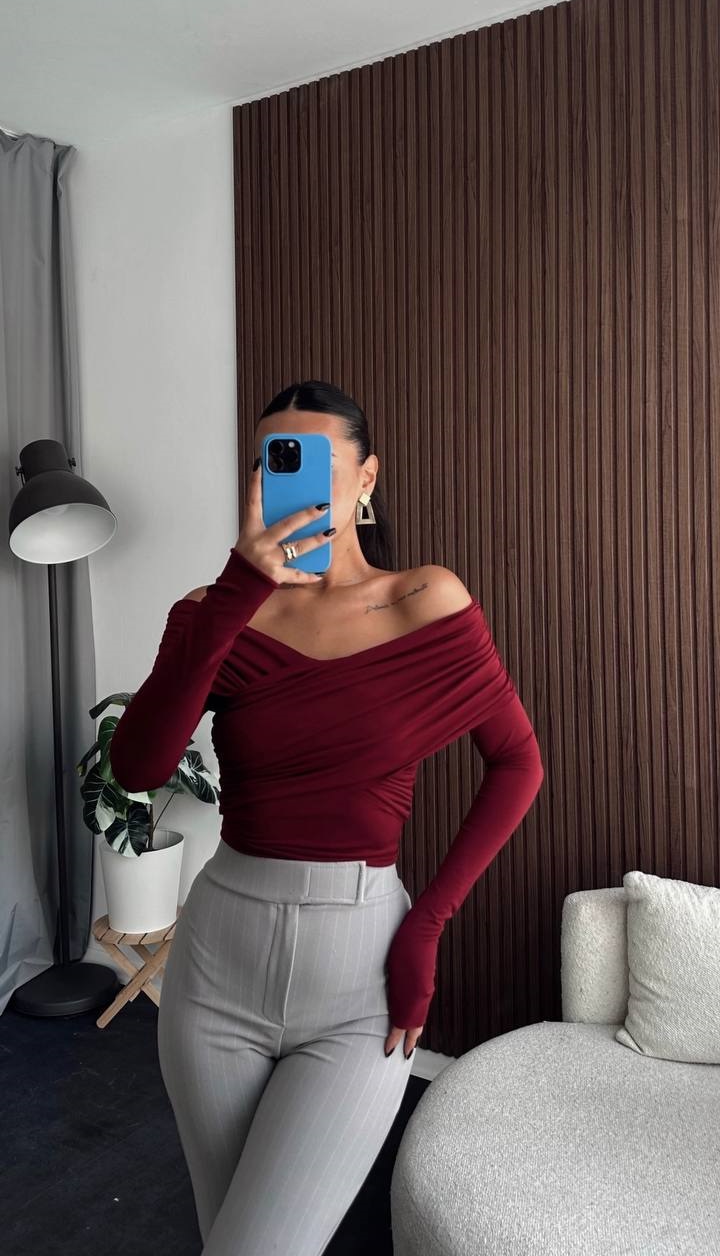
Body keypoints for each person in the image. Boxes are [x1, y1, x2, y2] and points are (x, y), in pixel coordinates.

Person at [109, 380, 544, 1255]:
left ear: (367, 478)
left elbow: (517, 762)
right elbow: (138, 768)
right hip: (216, 965)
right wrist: (239, 589)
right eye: (272, 464)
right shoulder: (211, 613)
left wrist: (427, 926)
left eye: (313, 462)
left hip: (359, 980)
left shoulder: (424, 600)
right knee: (225, 1232)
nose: (290, 483)